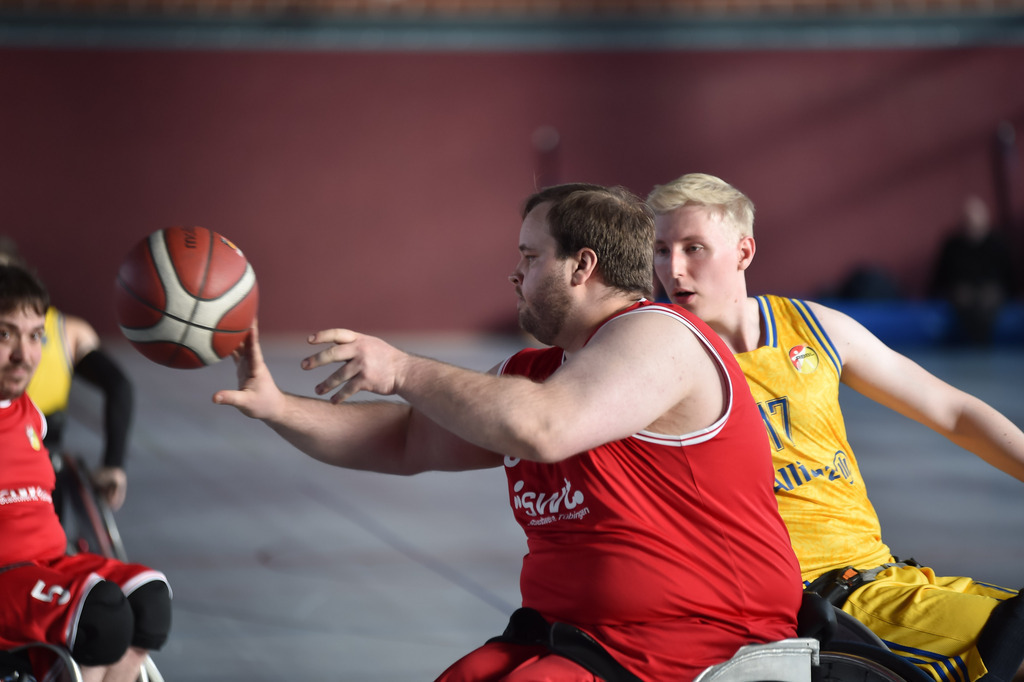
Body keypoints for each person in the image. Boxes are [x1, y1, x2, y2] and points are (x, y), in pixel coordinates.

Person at [214, 183, 802, 681]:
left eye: (530, 257)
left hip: (707, 643)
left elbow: (544, 427)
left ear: (583, 266)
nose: (515, 274)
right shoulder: (537, 373)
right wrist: (276, 407)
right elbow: (407, 442)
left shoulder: (660, 333)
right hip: (582, 639)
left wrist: (401, 369)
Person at [647, 172, 1024, 682]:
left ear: (743, 252)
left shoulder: (814, 328)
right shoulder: (653, 355)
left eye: (693, 248)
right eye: (661, 250)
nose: (673, 268)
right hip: (809, 602)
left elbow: (952, 412)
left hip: (886, 578)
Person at [0, 264, 171, 682]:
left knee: (149, 598)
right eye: (5, 334)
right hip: (5, 577)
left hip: (48, 564)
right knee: (99, 616)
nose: (25, 353)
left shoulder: (31, 418)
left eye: (35, 334)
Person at [0, 237, 133, 511]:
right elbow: (119, 386)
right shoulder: (70, 331)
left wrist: (113, 463)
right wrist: (113, 464)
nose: (23, 353)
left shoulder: (68, 331)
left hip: (40, 468)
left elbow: (119, 386)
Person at [928, 195, 1015, 346]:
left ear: (985, 220)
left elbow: (1008, 275)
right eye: (968, 219)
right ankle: (971, 345)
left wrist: (1010, 293)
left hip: (990, 291)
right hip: (962, 291)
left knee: (988, 300)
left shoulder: (997, 244)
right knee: (964, 298)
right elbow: (940, 275)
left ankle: (982, 343)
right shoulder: (953, 245)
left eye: (976, 219)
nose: (972, 224)